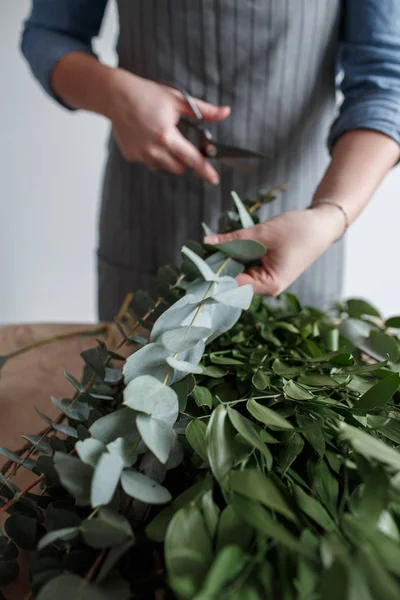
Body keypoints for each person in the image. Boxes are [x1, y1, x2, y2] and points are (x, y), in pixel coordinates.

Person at [21, 1, 400, 320]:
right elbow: (49, 33)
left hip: (299, 236)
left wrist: (330, 216)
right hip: (148, 224)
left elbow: (387, 78)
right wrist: (114, 95)